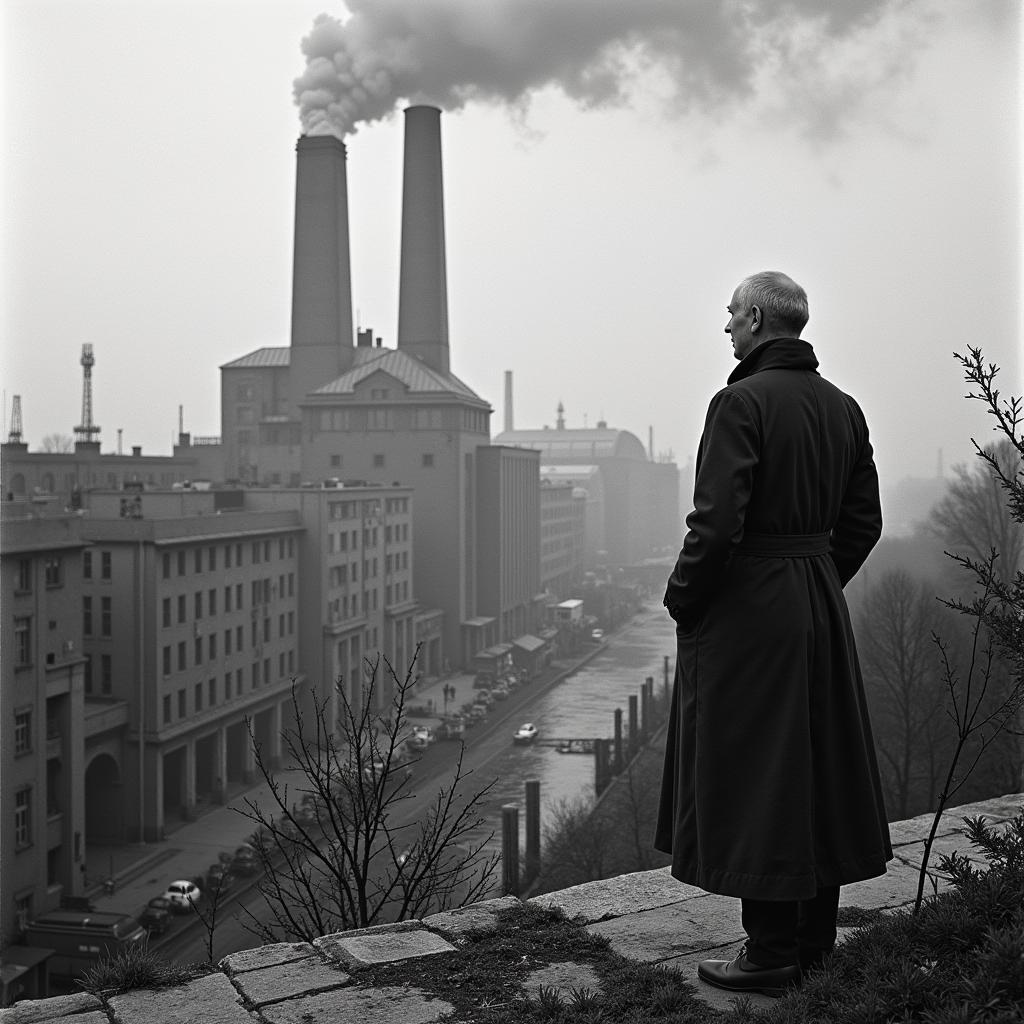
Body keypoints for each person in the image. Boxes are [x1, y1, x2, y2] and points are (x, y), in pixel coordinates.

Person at [654, 271, 892, 997]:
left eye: (731, 314)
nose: (725, 327)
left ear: (757, 318)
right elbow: (862, 524)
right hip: (816, 601)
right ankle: (813, 945)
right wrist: (813, 580)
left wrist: (685, 601)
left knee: (759, 772)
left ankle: (767, 955)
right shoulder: (843, 408)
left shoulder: (739, 402)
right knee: (816, 768)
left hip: (751, 614)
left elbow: (716, 523)